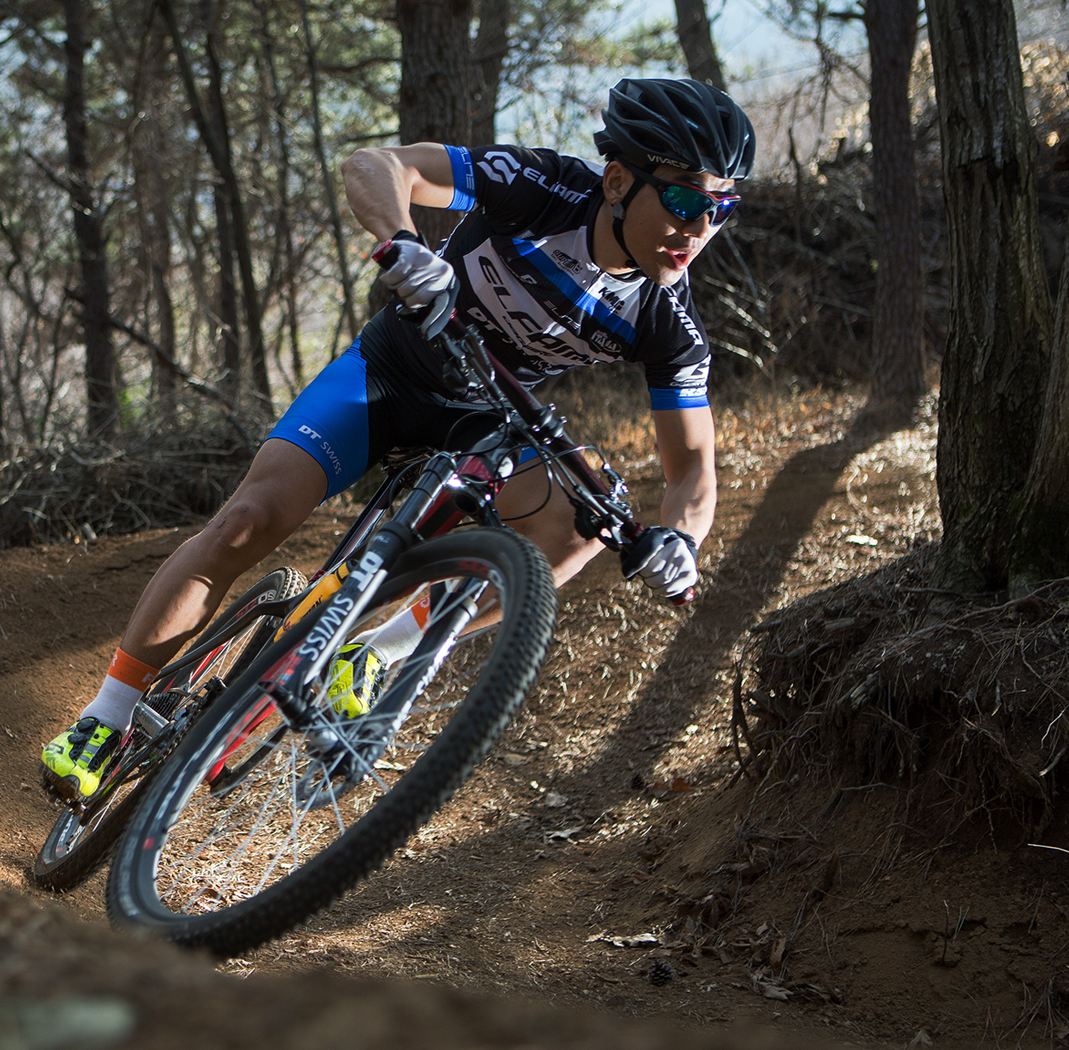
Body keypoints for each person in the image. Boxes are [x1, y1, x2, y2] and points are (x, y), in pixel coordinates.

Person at [41, 77, 756, 803]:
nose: (700, 227)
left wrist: (682, 540)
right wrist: (404, 246)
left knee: (587, 519)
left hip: (486, 425)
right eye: (684, 200)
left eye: (721, 208)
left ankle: (377, 653)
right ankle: (107, 718)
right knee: (246, 522)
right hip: (388, 376)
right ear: (617, 181)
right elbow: (377, 165)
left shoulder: (668, 321)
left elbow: (692, 466)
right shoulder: (544, 188)